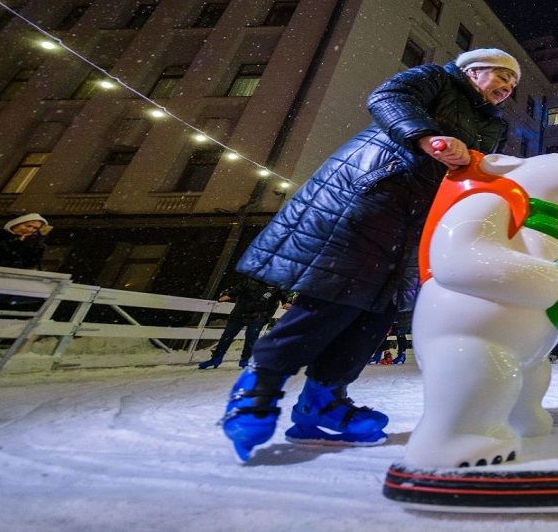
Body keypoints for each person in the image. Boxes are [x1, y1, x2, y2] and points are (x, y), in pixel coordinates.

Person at [217, 48, 517, 461]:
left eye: (513, 84)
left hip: (422, 217)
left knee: (378, 309)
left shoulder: (492, 124)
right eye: (502, 76)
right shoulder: (436, 79)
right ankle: (258, 388)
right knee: (335, 294)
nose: (507, 88)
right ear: (474, 70)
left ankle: (323, 402)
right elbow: (387, 98)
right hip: (373, 194)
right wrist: (426, 135)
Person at [198, 277, 288, 369]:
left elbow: (284, 295)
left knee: (251, 337)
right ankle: (216, 358)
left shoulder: (278, 283)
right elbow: (238, 288)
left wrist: (287, 302)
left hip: (260, 315)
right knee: (227, 335)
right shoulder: (251, 279)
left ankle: (245, 360)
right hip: (240, 312)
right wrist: (228, 294)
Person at [0, 213, 51, 317]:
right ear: (16, 224)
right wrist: (16, 243)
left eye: (35, 228)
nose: (31, 230)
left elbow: (29, 264)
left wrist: (35, 248)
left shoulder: (30, 243)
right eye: (28, 226)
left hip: (9, 285)